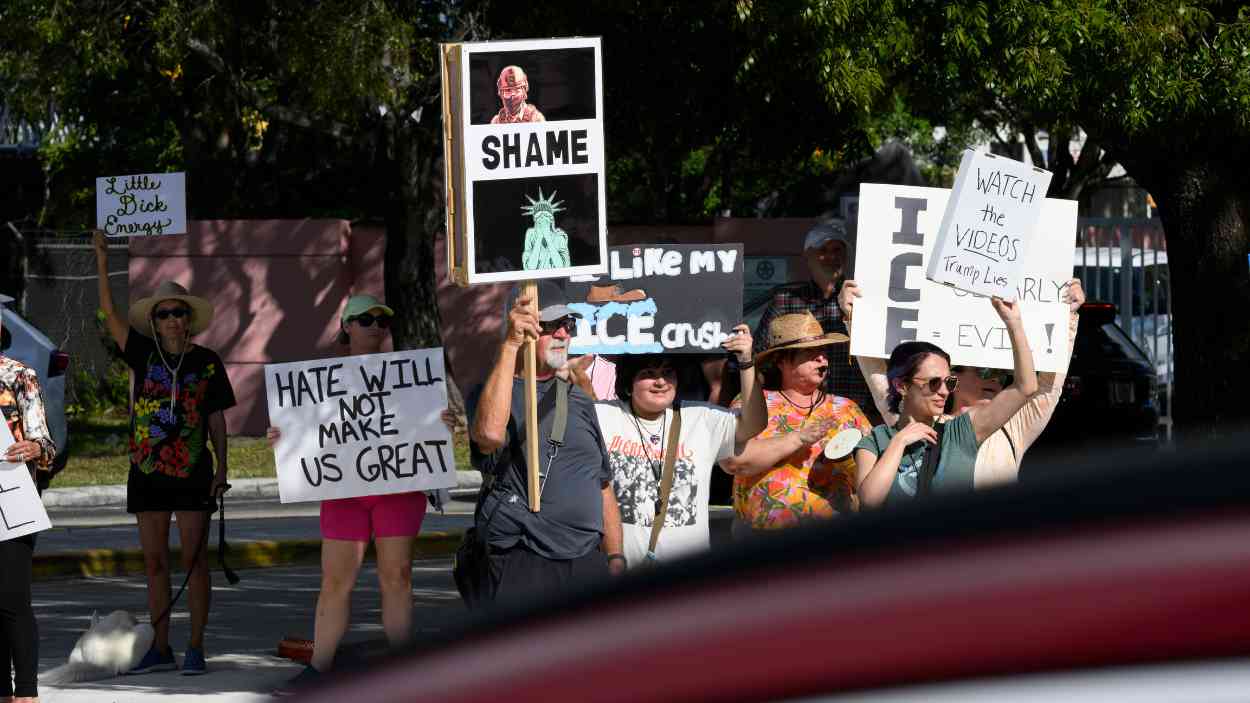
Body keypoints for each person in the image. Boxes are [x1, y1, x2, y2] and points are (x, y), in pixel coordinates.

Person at [268, 295, 458, 689]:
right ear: (347, 326)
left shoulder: (408, 376)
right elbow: (307, 431)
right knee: (336, 581)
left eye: (381, 321)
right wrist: (282, 437)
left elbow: (423, 428)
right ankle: (319, 668)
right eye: (365, 319)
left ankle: (403, 666)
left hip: (398, 489)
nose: (375, 325)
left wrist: (440, 423)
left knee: (398, 576)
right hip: (344, 491)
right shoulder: (321, 381)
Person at [93, 232, 236, 675]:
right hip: (148, 471)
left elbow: (215, 420)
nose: (173, 319)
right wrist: (102, 257)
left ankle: (195, 646)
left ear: (189, 319)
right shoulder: (141, 352)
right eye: (164, 313)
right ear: (154, 322)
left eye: (179, 312)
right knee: (154, 562)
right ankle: (160, 647)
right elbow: (110, 313)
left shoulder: (208, 361)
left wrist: (222, 469)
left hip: (194, 473)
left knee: (195, 562)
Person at [840, 279, 1085, 487]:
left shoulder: (1014, 427)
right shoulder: (915, 420)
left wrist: (1068, 319)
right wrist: (855, 317)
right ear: (953, 377)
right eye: (986, 370)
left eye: (1003, 374)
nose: (995, 379)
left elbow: (1045, 387)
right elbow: (880, 378)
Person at [469, 280, 623, 603]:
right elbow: (489, 436)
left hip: (585, 561)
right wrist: (510, 347)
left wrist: (615, 557)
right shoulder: (491, 393)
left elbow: (602, 484)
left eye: (568, 324)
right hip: (525, 559)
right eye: (551, 326)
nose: (564, 334)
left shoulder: (579, 399)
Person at [594, 325, 766, 566]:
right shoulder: (604, 415)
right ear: (628, 381)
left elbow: (754, 424)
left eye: (668, 372)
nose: (660, 382)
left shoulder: (701, 419)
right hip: (622, 577)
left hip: (685, 584)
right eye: (648, 373)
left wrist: (747, 363)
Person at [853, 298, 1039, 508]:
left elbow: (1026, 387)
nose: (944, 391)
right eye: (933, 383)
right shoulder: (875, 440)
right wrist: (899, 442)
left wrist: (1014, 323)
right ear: (902, 386)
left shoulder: (962, 431)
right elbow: (869, 501)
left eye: (949, 382)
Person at [723, 311, 873, 530]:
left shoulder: (846, 409)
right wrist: (798, 439)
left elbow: (871, 476)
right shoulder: (753, 402)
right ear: (781, 360)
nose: (822, 358)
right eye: (811, 352)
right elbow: (734, 462)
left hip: (835, 542)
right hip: (763, 544)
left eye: (823, 351)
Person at [750, 220, 877, 423]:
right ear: (807, 255)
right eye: (823, 250)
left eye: (838, 250)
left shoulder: (863, 298)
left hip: (856, 408)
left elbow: (876, 353)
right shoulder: (787, 299)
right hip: (798, 410)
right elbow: (760, 356)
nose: (832, 256)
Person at [0, 293, 57, 703]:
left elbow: (45, 442)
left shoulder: (21, 376)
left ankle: (27, 695)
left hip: (12, 502)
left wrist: (34, 449)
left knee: (13, 599)